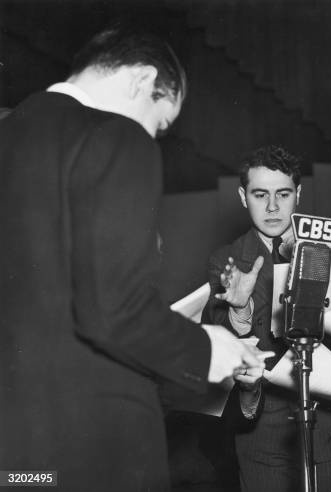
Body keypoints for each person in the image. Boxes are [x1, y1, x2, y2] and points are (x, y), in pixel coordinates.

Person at [0, 25, 265, 491]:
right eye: (158, 123)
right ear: (141, 80)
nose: (152, 137)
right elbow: (112, 310)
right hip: (91, 443)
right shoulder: (115, 136)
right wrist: (206, 348)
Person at [202, 144, 331, 492]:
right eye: (260, 194)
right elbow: (215, 343)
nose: (272, 207)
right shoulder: (226, 259)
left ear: (298, 194)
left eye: (282, 194)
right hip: (263, 436)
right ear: (243, 196)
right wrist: (239, 314)